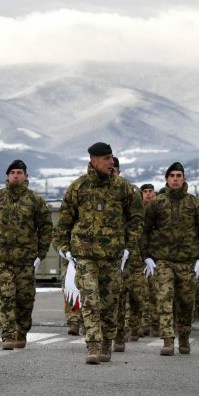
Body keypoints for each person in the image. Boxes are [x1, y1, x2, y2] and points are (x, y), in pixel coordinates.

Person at [54, 143, 144, 364]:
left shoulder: (123, 188)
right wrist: (65, 249)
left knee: (110, 302)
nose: (111, 162)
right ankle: (93, 345)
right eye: (106, 158)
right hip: (84, 255)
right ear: (93, 161)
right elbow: (64, 222)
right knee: (91, 300)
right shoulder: (78, 188)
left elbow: (136, 219)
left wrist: (128, 247)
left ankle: (106, 344)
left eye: (112, 157)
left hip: (113, 256)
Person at [0, 159, 53, 350]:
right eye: (12, 173)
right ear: (7, 176)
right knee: (6, 298)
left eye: (19, 172)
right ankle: (8, 336)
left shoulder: (35, 200)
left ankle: (21, 332)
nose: (16, 175)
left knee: (25, 300)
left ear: (26, 176)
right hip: (1, 259)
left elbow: (46, 228)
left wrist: (40, 255)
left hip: (26, 260)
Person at [142, 162, 199, 356]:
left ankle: (184, 338)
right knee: (164, 299)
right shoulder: (157, 203)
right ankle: (167, 340)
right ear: (166, 179)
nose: (175, 178)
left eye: (178, 175)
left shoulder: (195, 204)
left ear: (184, 179)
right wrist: (146, 256)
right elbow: (144, 230)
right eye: (171, 175)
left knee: (186, 303)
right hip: (163, 261)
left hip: (187, 263)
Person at [112, 157, 147, 351]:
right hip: (107, 253)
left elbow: (137, 221)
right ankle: (112, 334)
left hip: (130, 254)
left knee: (132, 295)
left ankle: (129, 328)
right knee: (112, 295)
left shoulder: (129, 191)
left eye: (115, 170)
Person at [139, 183, 159, 337]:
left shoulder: (159, 209)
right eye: (145, 192)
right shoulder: (137, 211)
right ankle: (143, 324)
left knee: (155, 293)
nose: (148, 194)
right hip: (138, 257)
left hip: (156, 256)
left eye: (150, 191)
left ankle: (155, 324)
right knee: (141, 292)